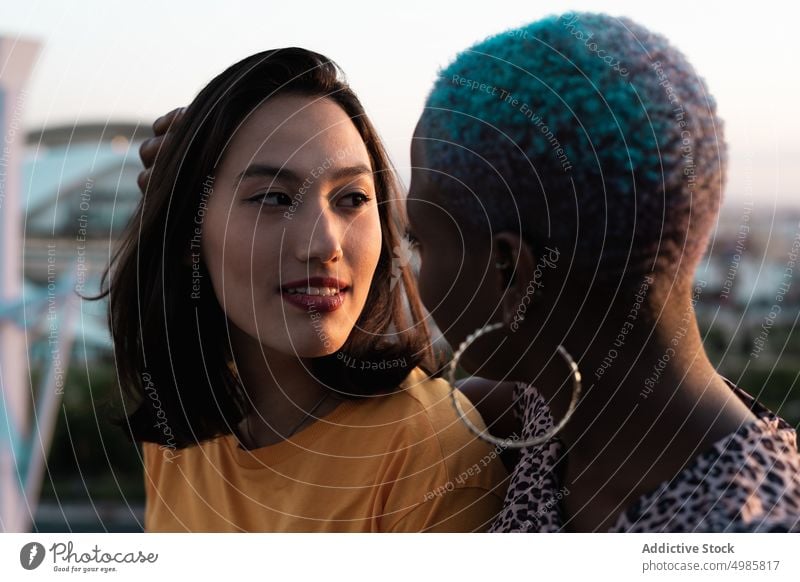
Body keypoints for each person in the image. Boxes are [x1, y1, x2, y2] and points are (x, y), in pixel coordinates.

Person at [406, 12, 800, 531]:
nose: (412, 272)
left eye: (419, 241)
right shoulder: (559, 411)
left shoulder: (750, 531)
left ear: (508, 272)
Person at [109, 47, 507, 532]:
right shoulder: (182, 433)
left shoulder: (428, 460)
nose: (324, 243)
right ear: (189, 234)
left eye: (353, 198)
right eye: (273, 198)